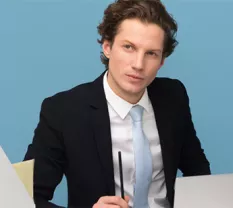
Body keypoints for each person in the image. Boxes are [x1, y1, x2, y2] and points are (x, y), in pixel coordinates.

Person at [24, 1, 211, 207]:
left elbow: (199, 172)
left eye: (151, 53)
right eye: (129, 47)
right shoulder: (63, 112)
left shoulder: (174, 97)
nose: (138, 65)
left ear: (161, 61)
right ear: (107, 47)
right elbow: (25, 198)